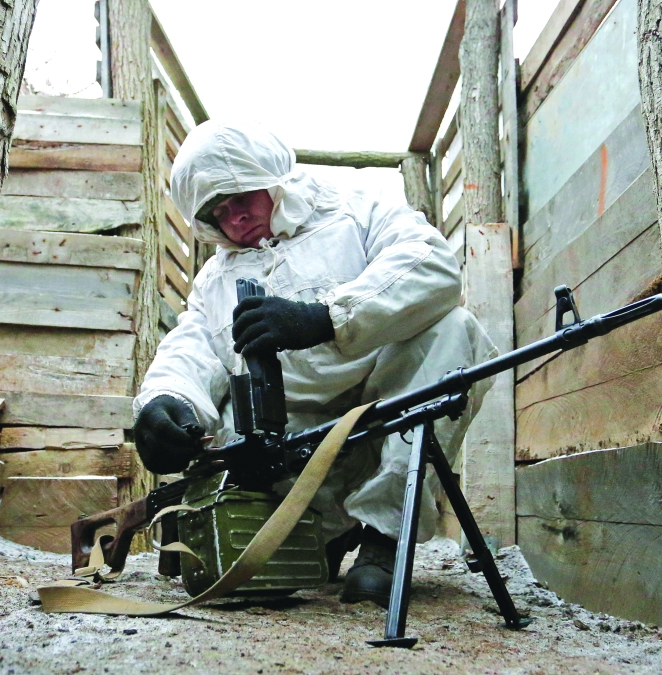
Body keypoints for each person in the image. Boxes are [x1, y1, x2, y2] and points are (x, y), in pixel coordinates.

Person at [133, 120, 495, 607]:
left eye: (240, 197)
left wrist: (326, 318)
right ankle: (317, 536)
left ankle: (385, 539)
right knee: (224, 415)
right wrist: (165, 403)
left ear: (272, 179)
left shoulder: (359, 209)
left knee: (454, 328)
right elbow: (190, 350)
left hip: (384, 424)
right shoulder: (213, 281)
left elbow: (431, 265)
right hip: (292, 460)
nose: (235, 218)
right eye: (218, 212)